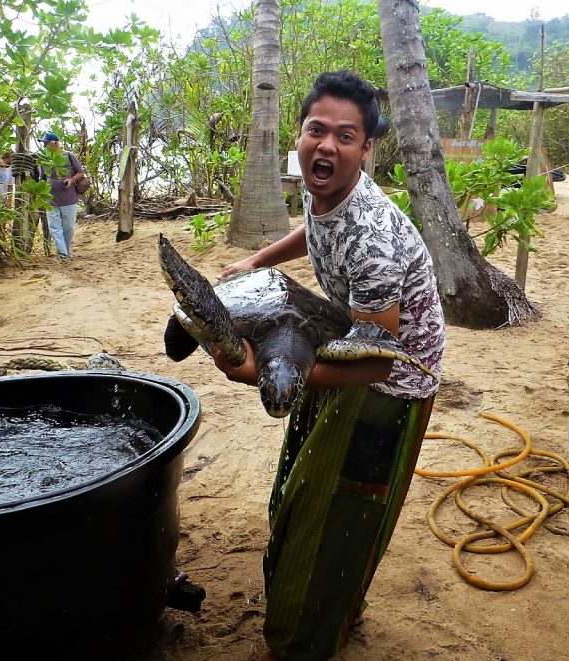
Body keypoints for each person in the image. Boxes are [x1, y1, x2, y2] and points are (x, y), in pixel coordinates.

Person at [213, 70, 445, 661]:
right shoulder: (327, 194)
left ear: (367, 150)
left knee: (338, 512)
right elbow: (312, 231)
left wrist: (259, 373)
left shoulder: (370, 235)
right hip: (346, 339)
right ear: (300, 133)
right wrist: (254, 262)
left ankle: (307, 639)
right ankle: (331, 610)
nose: (327, 145)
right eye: (317, 129)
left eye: (346, 136)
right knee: (306, 486)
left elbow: (377, 361)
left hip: (393, 378)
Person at [38, 131, 85, 259]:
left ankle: (64, 252)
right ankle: (63, 255)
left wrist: (72, 180)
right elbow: (42, 179)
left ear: (55, 143)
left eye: (46, 143)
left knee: (68, 228)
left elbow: (80, 173)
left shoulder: (69, 156)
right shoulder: (43, 160)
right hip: (51, 200)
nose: (44, 146)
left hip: (69, 199)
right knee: (54, 228)